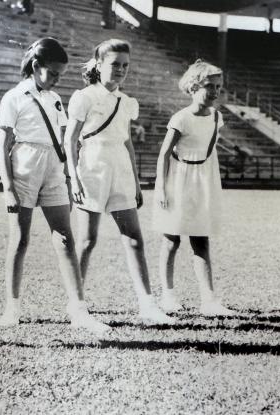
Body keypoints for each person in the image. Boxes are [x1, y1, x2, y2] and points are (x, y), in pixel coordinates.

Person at [0, 37, 109, 334]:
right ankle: (12, 306)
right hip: (24, 166)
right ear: (36, 66)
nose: (58, 78)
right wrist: (8, 186)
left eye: (60, 74)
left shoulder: (56, 98)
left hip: (54, 168)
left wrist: (70, 177)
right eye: (53, 72)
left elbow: (63, 139)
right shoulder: (14, 97)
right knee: (20, 239)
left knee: (65, 237)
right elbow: (2, 145)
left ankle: (78, 308)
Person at [64, 39, 174, 325]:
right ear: (99, 65)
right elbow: (70, 139)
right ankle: (77, 306)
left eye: (125, 65)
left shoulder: (127, 102)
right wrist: (73, 177)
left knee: (133, 238)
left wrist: (136, 183)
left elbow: (127, 143)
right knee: (88, 240)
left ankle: (147, 305)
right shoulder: (84, 97)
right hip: (92, 166)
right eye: (114, 64)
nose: (120, 70)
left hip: (121, 169)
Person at [152, 59, 235, 316]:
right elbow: (164, 154)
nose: (215, 92)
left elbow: (207, 152)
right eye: (209, 86)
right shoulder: (181, 118)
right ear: (192, 87)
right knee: (171, 239)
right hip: (177, 181)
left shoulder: (217, 118)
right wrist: (162, 190)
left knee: (201, 240)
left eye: (218, 87)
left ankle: (209, 300)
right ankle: (167, 295)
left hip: (202, 182)